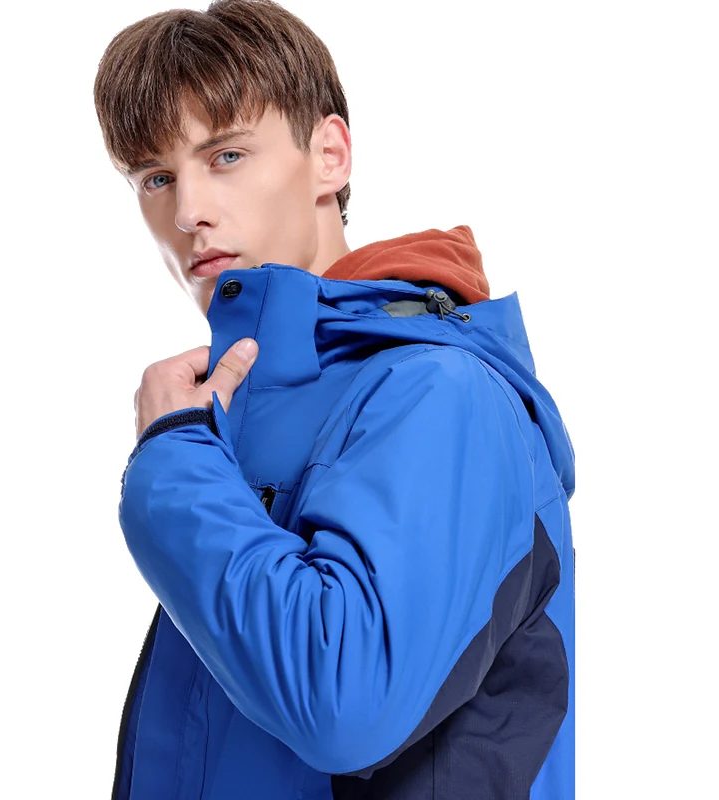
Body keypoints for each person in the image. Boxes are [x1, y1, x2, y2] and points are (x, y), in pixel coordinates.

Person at [92, 1, 576, 798]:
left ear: (329, 155)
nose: (187, 213)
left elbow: (343, 702)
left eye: (226, 155)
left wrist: (172, 461)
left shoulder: (438, 392)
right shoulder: (248, 410)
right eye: (156, 178)